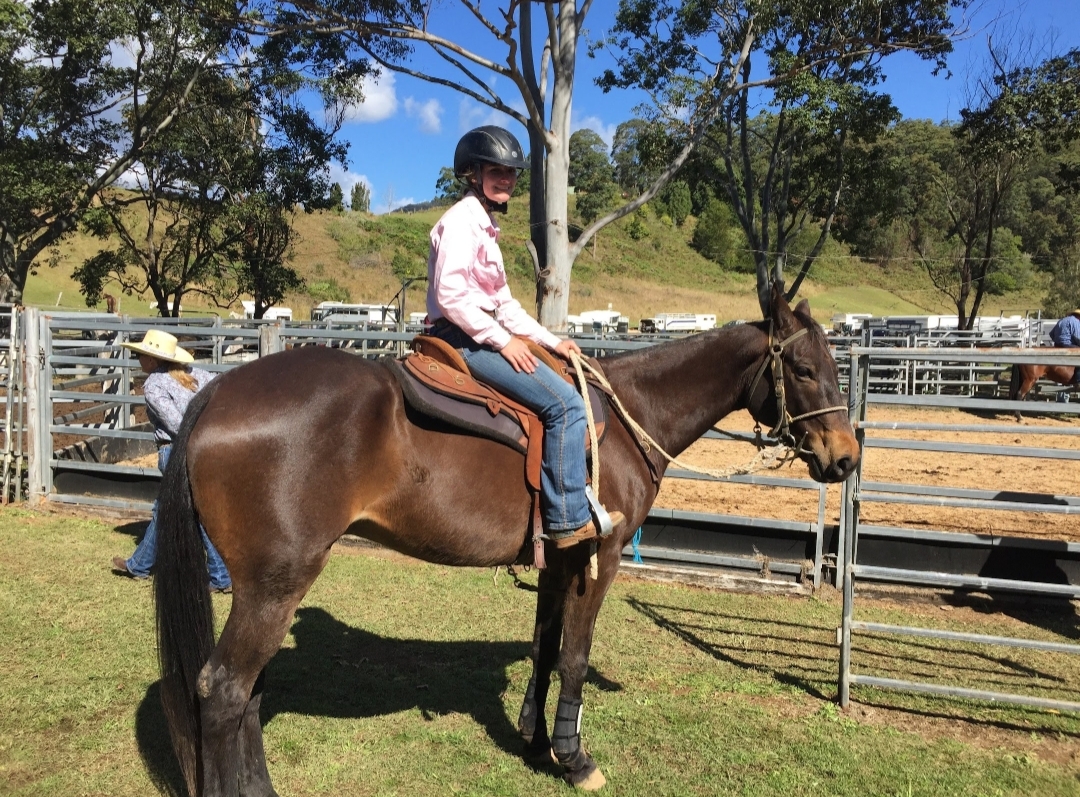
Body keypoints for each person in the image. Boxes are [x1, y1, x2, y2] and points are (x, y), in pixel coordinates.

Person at [426, 125, 624, 549]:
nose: (507, 179)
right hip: (463, 336)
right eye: (496, 171)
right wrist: (503, 341)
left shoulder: (485, 228)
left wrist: (552, 342)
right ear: (473, 174)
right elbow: (451, 297)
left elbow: (507, 307)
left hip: (478, 331)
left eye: (512, 172)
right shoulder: (461, 222)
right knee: (566, 404)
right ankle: (567, 519)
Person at [110, 330, 232, 592]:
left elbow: (177, 424)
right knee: (166, 509)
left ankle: (221, 575)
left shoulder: (154, 385)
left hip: (175, 452)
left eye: (141, 355)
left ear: (152, 359)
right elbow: (223, 391)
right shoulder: (197, 374)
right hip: (202, 450)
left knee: (191, 511)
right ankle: (140, 565)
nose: (138, 359)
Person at [1049, 309, 1080, 386]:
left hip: (1057, 345)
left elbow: (1051, 334)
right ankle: (1078, 379)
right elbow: (1077, 337)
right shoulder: (1075, 321)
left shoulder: (1061, 320)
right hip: (1068, 345)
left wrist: (1058, 340)